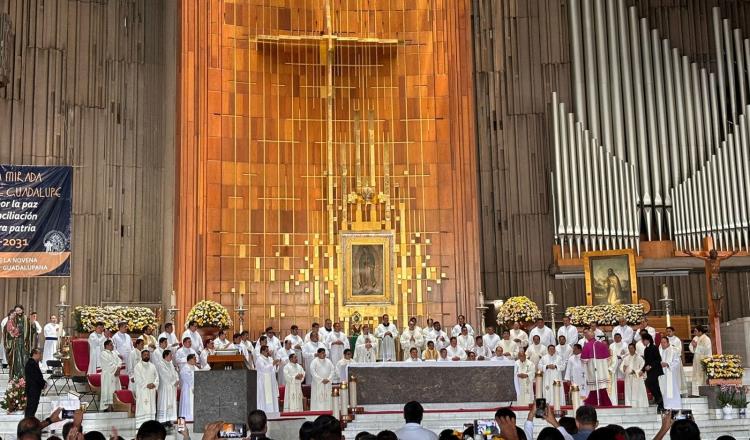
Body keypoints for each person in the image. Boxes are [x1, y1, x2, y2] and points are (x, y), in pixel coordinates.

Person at [3, 305, 37, 380]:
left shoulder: (26, 319)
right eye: (17, 311)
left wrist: (32, 324)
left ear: (22, 310)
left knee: (25, 359)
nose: (18, 312)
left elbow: (32, 330)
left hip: (25, 342)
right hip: (16, 342)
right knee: (17, 359)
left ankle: (25, 375)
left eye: (19, 310)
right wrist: (11, 332)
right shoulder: (13, 319)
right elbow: (6, 329)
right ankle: (17, 375)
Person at [580, 330, 611, 406]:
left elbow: (584, 360)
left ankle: (593, 401)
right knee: (601, 386)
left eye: (586, 336)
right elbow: (608, 358)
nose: (586, 337)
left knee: (595, 386)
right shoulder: (602, 345)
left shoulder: (587, 345)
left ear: (588, 336)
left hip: (593, 368)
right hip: (602, 369)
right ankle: (603, 401)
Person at [133, 349, 159, 425]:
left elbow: (157, 377)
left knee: (151, 407)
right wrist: (147, 385)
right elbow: (137, 379)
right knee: (142, 407)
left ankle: (151, 423)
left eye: (148, 355)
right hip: (142, 391)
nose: (146, 356)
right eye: (145, 355)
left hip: (151, 390)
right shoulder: (138, 366)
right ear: (141, 356)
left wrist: (154, 384)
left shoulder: (152, 366)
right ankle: (141, 424)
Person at [640, 333, 664, 411]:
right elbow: (646, 362)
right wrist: (642, 370)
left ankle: (660, 402)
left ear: (647, 340)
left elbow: (658, 359)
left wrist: (650, 366)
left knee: (652, 384)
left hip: (656, 370)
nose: (642, 342)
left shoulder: (654, 347)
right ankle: (660, 402)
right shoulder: (646, 349)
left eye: (643, 340)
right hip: (650, 371)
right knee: (651, 385)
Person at [620, 343, 648, 407]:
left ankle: (639, 404)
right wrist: (623, 369)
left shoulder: (639, 358)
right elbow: (622, 367)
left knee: (638, 392)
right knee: (629, 392)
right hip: (628, 378)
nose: (630, 350)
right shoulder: (626, 358)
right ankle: (629, 404)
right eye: (629, 348)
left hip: (636, 378)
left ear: (635, 349)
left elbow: (643, 367)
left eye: (632, 348)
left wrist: (635, 372)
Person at [156, 349, 179, 423]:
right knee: (164, 402)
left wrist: (177, 380)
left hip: (172, 387)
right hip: (164, 387)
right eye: (170, 355)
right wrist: (174, 382)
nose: (172, 357)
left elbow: (175, 373)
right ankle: (163, 420)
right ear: (165, 356)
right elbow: (164, 375)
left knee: (171, 402)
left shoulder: (170, 363)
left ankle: (170, 419)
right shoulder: (160, 364)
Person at [658, 336, 681, 410]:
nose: (662, 344)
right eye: (661, 343)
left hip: (670, 373)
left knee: (670, 389)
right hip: (661, 373)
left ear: (668, 343)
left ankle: (673, 405)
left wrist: (668, 364)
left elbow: (677, 361)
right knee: (663, 389)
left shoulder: (674, 350)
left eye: (664, 342)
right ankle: (665, 405)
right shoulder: (659, 350)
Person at [255, 345, 280, 413]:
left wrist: (276, 365)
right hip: (264, 382)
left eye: (268, 351)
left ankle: (273, 412)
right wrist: (273, 364)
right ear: (262, 351)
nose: (268, 352)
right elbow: (264, 369)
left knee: (272, 397)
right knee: (265, 398)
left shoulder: (270, 359)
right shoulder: (259, 359)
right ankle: (265, 412)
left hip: (271, 381)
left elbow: (274, 370)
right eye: (266, 351)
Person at [688, 325, 711, 395]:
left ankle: (702, 392)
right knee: (696, 375)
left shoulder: (706, 339)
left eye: (695, 331)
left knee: (702, 376)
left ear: (700, 332)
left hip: (703, 360)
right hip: (696, 359)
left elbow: (706, 350)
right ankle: (696, 393)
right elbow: (690, 347)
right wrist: (693, 347)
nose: (694, 332)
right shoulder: (695, 338)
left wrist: (696, 346)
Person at [99, 340, 121, 411]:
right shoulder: (103, 353)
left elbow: (119, 361)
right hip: (107, 376)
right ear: (106, 346)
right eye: (111, 345)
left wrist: (118, 367)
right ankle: (108, 407)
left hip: (115, 375)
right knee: (108, 390)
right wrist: (116, 369)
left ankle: (116, 406)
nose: (113, 346)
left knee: (115, 390)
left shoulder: (114, 353)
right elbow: (108, 364)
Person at [24, 349, 46, 417]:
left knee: (33, 407)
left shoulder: (33, 363)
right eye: (39, 354)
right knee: (31, 408)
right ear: (35, 354)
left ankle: (29, 422)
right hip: (33, 390)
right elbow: (36, 377)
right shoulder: (31, 363)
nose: (40, 356)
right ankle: (28, 424)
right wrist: (43, 384)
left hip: (34, 389)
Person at [607, 333, 627, 404]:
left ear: (621, 338)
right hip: (613, 364)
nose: (617, 339)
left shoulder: (625, 345)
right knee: (614, 381)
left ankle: (623, 397)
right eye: (615, 338)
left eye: (618, 337)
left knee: (622, 379)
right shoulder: (611, 345)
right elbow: (610, 355)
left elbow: (627, 353)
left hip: (622, 362)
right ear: (614, 338)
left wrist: (621, 356)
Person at [179, 353, 197, 421]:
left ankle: (193, 419)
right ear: (189, 360)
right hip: (188, 389)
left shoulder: (195, 367)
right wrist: (193, 386)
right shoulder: (185, 368)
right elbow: (186, 377)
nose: (196, 360)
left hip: (194, 388)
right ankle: (185, 420)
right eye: (194, 359)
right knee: (187, 404)